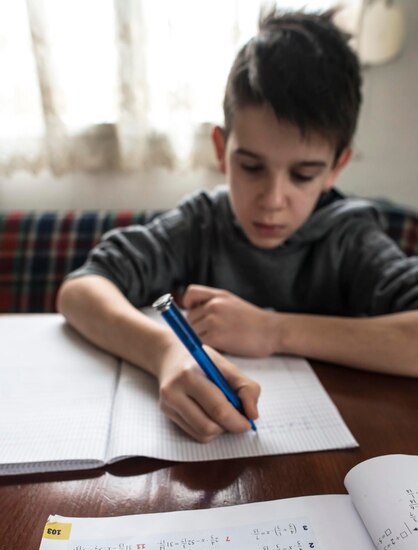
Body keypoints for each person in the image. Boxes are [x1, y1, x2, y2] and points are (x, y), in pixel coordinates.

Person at [57, 8, 418, 443]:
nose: (272, 200)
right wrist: (166, 352)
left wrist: (273, 330)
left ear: (336, 167)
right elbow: (80, 290)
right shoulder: (201, 224)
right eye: (250, 167)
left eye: (303, 175)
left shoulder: (350, 238)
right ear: (221, 149)